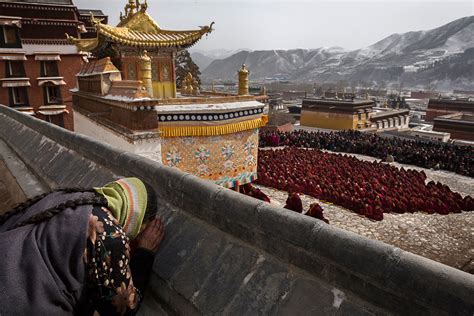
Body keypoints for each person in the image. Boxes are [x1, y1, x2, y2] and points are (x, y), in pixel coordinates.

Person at [0, 177, 165, 315]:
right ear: (140, 223)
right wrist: (144, 253)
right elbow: (122, 308)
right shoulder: (110, 234)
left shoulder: (72, 198)